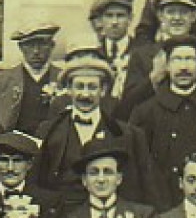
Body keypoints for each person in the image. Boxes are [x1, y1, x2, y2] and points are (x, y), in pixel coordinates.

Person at [32, 54, 153, 207]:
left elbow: (145, 186)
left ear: (103, 91)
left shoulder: (129, 135)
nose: (85, 94)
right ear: (69, 90)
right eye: (79, 86)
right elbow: (37, 182)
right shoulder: (49, 131)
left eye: (92, 87)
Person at [127, 37, 196, 211]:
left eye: (190, 59)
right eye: (176, 59)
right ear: (166, 66)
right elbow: (139, 166)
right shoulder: (145, 112)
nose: (183, 67)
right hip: (162, 205)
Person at [0, 23, 63, 135]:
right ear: (21, 47)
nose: (36, 51)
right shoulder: (1, 80)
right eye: (29, 45)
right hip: (13, 148)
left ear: (52, 46)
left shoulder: (63, 79)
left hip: (55, 148)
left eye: (42, 44)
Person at [86, 0, 137, 101]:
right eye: (109, 16)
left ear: (130, 19)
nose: (114, 22)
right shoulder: (93, 53)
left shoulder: (141, 51)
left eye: (120, 15)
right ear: (100, 20)